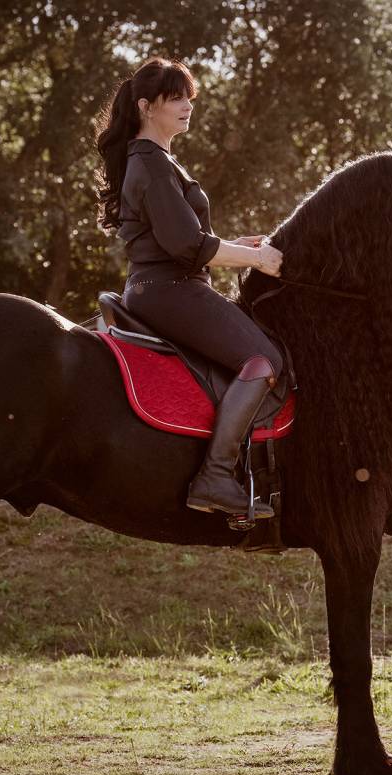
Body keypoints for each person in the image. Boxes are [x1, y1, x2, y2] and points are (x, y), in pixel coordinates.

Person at [95, 57, 285, 518]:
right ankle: (215, 476)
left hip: (166, 285)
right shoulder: (154, 164)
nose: (187, 107)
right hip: (171, 290)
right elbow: (187, 246)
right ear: (145, 107)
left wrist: (236, 247)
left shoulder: (155, 160)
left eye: (189, 99)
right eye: (175, 99)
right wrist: (257, 259)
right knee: (263, 361)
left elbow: (182, 242)